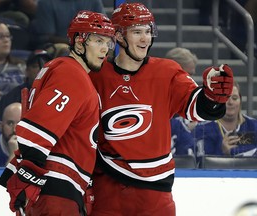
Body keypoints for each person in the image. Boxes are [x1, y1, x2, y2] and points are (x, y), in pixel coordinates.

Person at [88, 3, 234, 216]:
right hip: (108, 188)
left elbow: (195, 107)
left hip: (155, 193)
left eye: (148, 31)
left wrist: (212, 98)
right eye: (137, 32)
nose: (145, 38)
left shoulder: (167, 71)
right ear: (118, 35)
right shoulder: (96, 76)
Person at [0, 10, 116, 216]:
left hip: (54, 191)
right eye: (98, 41)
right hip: (55, 192)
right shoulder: (71, 73)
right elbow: (38, 130)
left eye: (108, 43)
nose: (105, 49)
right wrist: (29, 177)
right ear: (79, 43)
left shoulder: (59, 68)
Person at [193, 81, 257, 157]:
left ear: (240, 101)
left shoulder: (254, 125)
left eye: (235, 98)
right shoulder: (203, 129)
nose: (230, 102)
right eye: (225, 98)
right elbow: (200, 165)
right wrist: (222, 152)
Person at [0, 49, 52, 119]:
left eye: (46, 66)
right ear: (27, 71)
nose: (41, 69)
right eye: (35, 66)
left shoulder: (58, 93)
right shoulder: (16, 94)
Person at [30, 0, 106, 48]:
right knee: (63, 49)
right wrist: (78, 42)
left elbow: (103, 29)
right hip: (60, 48)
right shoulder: (46, 3)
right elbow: (47, 37)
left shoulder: (95, 1)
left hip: (90, 44)